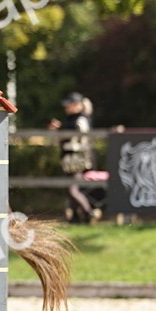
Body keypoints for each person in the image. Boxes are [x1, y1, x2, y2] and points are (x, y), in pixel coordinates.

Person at [48, 92, 99, 223]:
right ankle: (76, 217)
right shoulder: (73, 119)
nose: (66, 108)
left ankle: (89, 212)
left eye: (69, 105)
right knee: (70, 190)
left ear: (77, 105)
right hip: (70, 159)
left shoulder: (81, 119)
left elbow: (76, 133)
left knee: (72, 189)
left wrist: (60, 129)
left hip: (77, 160)